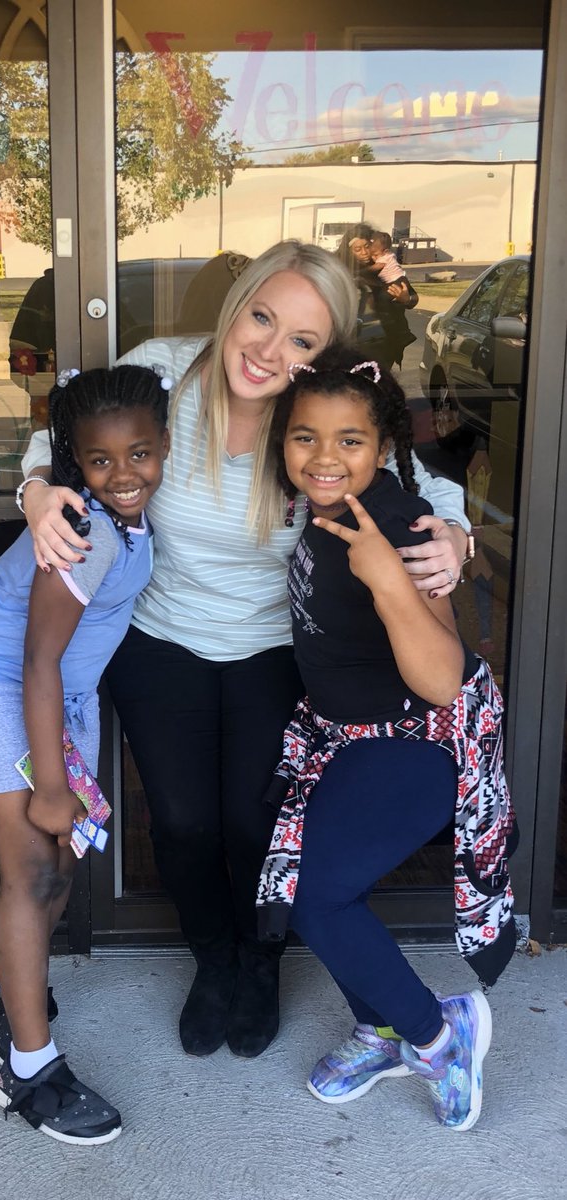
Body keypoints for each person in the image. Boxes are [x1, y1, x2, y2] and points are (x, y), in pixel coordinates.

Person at [18, 240, 471, 1061]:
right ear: (237, 308)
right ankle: (215, 962)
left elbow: (423, 478)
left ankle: (261, 963)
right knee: (186, 823)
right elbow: (61, 431)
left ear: (323, 354)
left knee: (252, 818)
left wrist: (458, 534)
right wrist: (38, 492)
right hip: (161, 639)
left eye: (301, 340)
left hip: (275, 647)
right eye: (262, 318)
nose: (269, 351)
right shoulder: (163, 373)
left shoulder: (320, 419)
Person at [257, 344, 517, 1131]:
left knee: (315, 895)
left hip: (417, 743)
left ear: (384, 448)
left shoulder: (398, 524)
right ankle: (382, 1026)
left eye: (350, 441)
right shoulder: (332, 507)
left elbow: (442, 676)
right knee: (325, 886)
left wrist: (386, 574)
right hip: (353, 735)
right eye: (306, 437)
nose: (325, 457)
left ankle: (439, 1034)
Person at [0, 364, 171, 1144]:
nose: (124, 474)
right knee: (34, 868)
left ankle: (11, 992)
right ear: (75, 462)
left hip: (53, 700)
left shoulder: (129, 516)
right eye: (101, 461)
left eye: (140, 453)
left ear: (163, 445)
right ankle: (27, 1072)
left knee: (61, 869)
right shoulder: (85, 530)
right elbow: (35, 660)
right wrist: (47, 786)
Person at [338, 225, 417, 368]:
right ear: (348, 252)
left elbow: (413, 297)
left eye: (367, 246)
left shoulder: (386, 265)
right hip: (356, 345)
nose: (364, 253)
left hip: (387, 342)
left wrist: (406, 299)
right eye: (357, 249)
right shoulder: (342, 272)